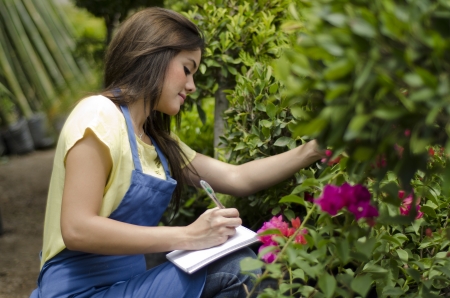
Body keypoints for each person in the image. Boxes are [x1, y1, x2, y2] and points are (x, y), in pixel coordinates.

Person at [30, 7, 325, 298]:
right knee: (238, 268)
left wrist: (315, 149)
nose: (192, 85)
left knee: (249, 260)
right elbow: (76, 228)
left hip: (129, 281)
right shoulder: (98, 115)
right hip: (80, 290)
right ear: (153, 55)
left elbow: (237, 178)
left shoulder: (156, 141)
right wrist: (189, 235)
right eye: (187, 69)